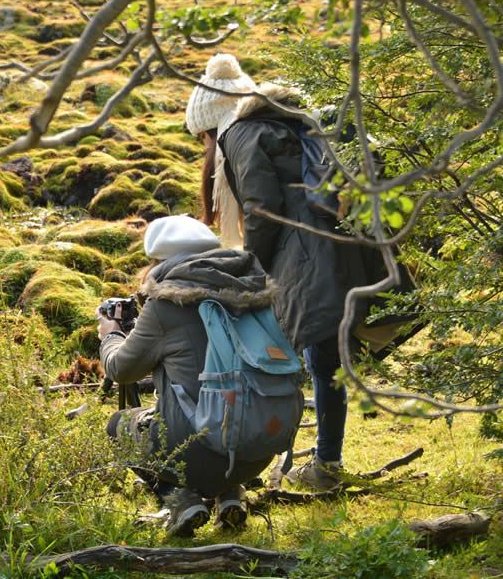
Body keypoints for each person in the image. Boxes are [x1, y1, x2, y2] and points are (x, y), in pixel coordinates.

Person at [188, 74, 386, 491]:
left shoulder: (242, 134)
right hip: (343, 249)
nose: (207, 149)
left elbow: (262, 209)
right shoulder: (294, 123)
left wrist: (251, 270)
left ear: (211, 126)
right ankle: (324, 464)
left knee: (278, 359)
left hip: (302, 260)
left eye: (203, 139)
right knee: (324, 358)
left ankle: (254, 465)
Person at [99, 215, 279, 537]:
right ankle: (231, 495)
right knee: (226, 405)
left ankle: (182, 501)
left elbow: (121, 369)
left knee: (118, 427)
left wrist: (111, 334)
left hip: (198, 453)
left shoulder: (166, 307)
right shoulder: (252, 292)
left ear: (160, 262)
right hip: (260, 446)